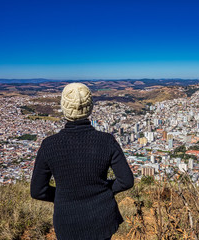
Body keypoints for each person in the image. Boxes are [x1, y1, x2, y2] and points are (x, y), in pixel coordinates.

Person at [30, 83, 134, 240]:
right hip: (102, 219)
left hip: (67, 223)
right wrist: (103, 190)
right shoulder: (106, 141)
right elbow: (126, 181)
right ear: (90, 107)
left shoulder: (49, 145)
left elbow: (38, 191)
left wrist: (64, 195)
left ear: (64, 107)